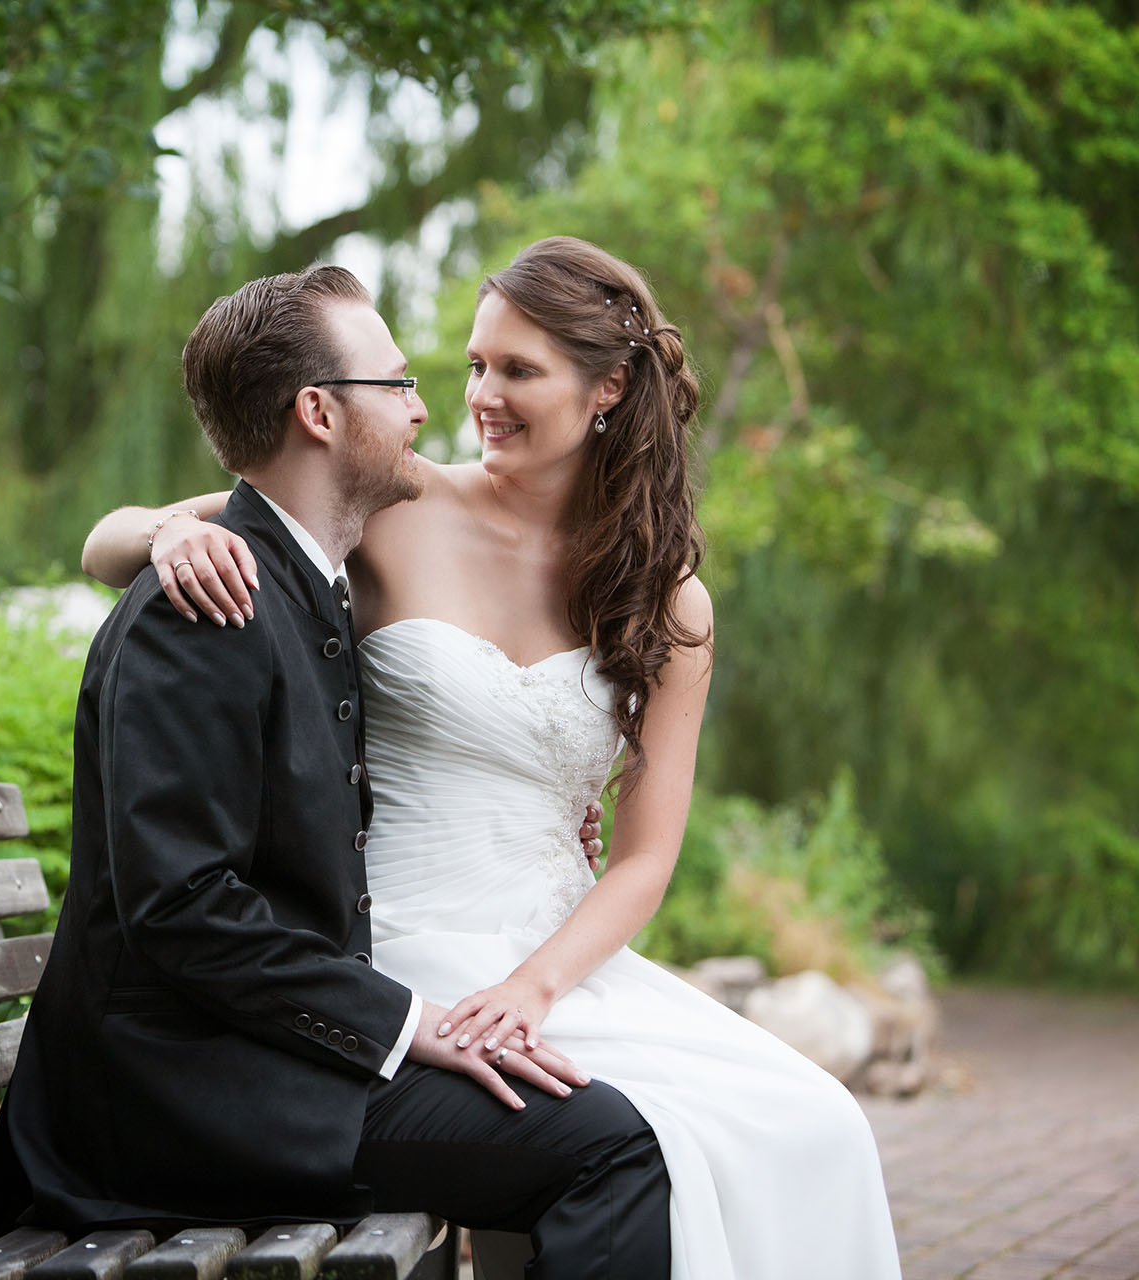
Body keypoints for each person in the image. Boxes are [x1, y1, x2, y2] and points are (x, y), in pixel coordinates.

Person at [78, 237, 903, 1280]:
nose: (481, 395)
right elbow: (133, 536)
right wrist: (162, 534)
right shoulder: (398, 501)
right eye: (473, 364)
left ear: (608, 387)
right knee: (627, 1138)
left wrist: (537, 983)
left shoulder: (668, 600)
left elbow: (645, 859)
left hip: (556, 961)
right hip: (398, 944)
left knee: (816, 1122)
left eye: (517, 369)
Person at [0, 263, 674, 1278]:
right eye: (404, 380)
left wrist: (548, 811)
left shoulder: (304, 588)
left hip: (259, 1056)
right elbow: (183, 907)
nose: (433, 407)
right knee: (604, 1144)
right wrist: (409, 1021)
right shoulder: (201, 608)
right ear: (321, 412)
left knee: (596, 1123)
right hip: (178, 1101)